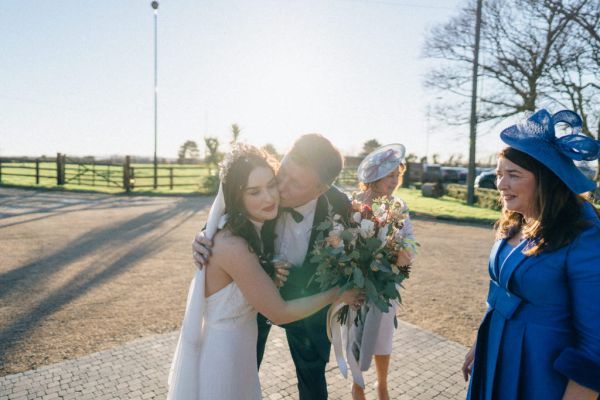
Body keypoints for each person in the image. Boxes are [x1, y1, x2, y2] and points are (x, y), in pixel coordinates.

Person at [167, 144, 362, 400]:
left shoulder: (340, 206)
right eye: (282, 173)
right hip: (251, 307)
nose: (278, 189)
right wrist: (203, 235)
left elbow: (356, 254)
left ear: (320, 189)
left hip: (308, 308)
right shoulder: (262, 187)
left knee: (312, 380)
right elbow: (229, 206)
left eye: (294, 183)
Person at [463, 109, 600, 400]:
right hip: (495, 356)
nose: (500, 185)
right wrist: (480, 343)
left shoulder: (585, 235)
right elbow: (500, 293)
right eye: (500, 174)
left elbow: (595, 343)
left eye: (513, 175)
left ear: (547, 180)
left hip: (542, 374)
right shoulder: (517, 220)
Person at [351, 144, 415, 400]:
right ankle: (357, 385)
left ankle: (382, 384)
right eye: (389, 175)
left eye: (397, 174)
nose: (394, 180)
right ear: (375, 176)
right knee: (355, 332)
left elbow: (408, 239)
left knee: (383, 334)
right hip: (356, 283)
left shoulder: (399, 205)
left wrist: (403, 253)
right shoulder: (354, 203)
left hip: (387, 281)